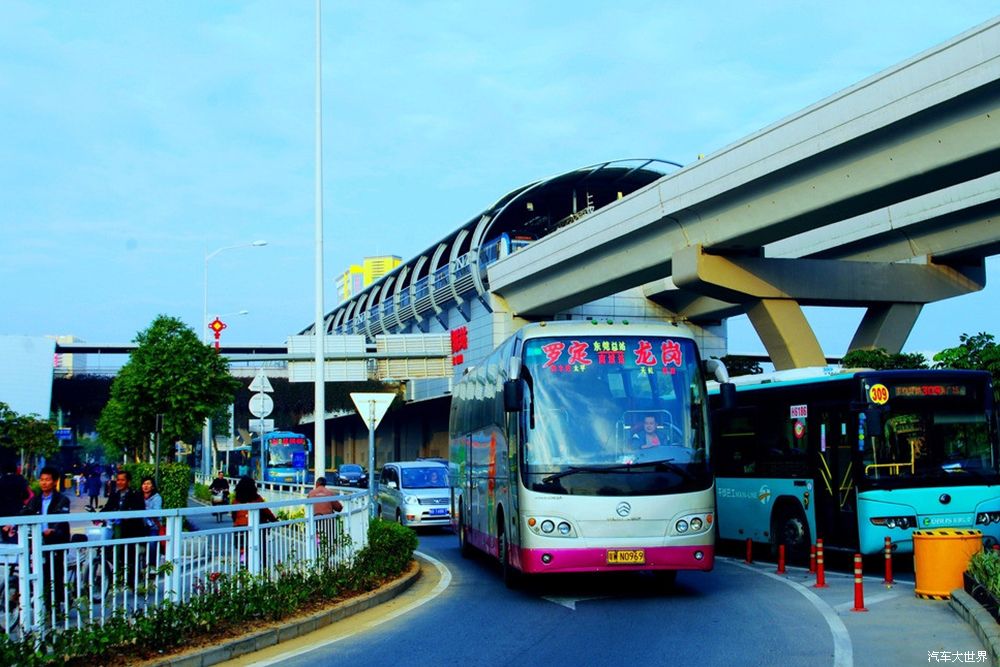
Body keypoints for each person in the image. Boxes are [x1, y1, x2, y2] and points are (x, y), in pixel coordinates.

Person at [21, 466, 71, 607]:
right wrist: (11, 525)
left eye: (47, 480)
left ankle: (56, 605)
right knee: (39, 572)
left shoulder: (62, 500)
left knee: (54, 573)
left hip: (56, 540)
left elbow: (61, 519)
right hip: (39, 541)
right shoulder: (36, 499)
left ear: (55, 481)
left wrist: (52, 530)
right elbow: (25, 512)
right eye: (42, 479)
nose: (44, 483)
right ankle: (42, 603)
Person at [100, 470, 146, 584]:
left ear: (128, 481)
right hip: (115, 529)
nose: (119, 482)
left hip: (131, 530)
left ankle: (132, 581)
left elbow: (139, 512)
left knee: (129, 556)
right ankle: (116, 574)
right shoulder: (114, 495)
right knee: (108, 550)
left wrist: (128, 517)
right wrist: (99, 515)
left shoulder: (135, 495)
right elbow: (108, 507)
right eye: (118, 480)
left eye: (122, 480)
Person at [0, 463, 31, 543]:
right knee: (19, 538)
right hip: (18, 513)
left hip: (3, 515)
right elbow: (26, 495)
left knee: (6, 540)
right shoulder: (20, 480)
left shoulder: (1, 480)